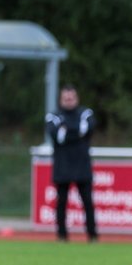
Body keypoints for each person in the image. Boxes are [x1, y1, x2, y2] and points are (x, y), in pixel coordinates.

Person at [45, 84, 99, 242]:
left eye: (71, 98)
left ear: (77, 98)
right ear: (61, 100)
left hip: (82, 165)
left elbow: (87, 129)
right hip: (62, 166)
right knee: (61, 202)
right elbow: (56, 135)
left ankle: (92, 235)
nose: (69, 101)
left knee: (87, 201)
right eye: (65, 98)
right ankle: (62, 235)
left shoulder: (85, 113)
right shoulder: (53, 116)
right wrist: (75, 133)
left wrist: (66, 132)